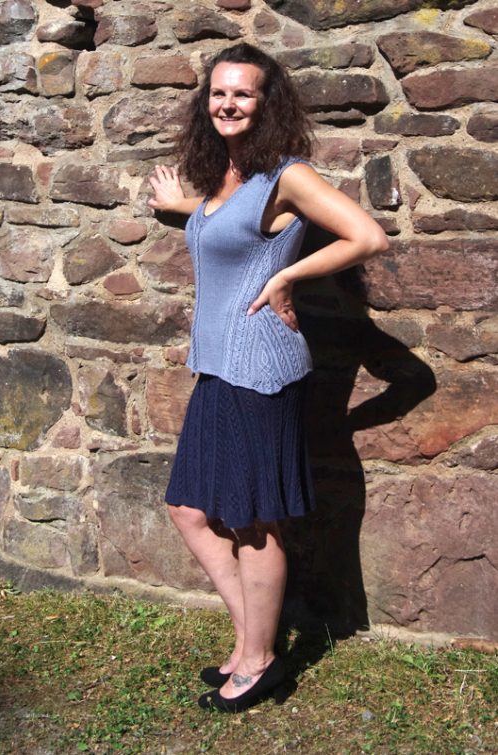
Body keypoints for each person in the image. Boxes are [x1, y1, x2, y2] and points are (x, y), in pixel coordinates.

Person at [148, 43, 389, 713]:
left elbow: (366, 236)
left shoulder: (288, 175)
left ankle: (256, 660)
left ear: (265, 102)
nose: (228, 104)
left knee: (254, 523)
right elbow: (230, 229)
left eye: (243, 93)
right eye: (218, 92)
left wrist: (288, 277)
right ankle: (255, 640)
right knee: (189, 509)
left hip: (260, 371)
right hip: (218, 369)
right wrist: (182, 207)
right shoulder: (224, 177)